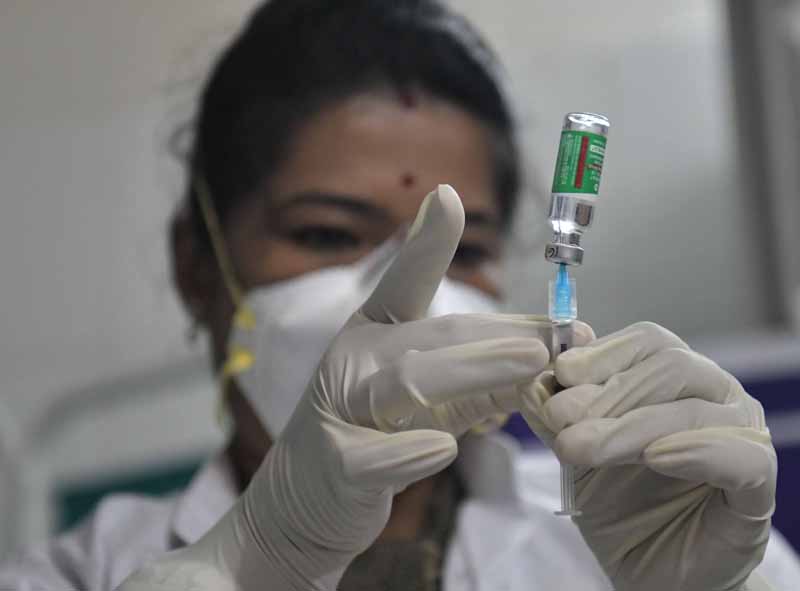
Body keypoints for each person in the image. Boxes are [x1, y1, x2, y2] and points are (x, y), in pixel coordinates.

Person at [3, 1, 800, 589]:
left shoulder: (645, 535)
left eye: (467, 248)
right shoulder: (81, 574)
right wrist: (250, 568)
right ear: (197, 267)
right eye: (327, 233)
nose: (409, 300)